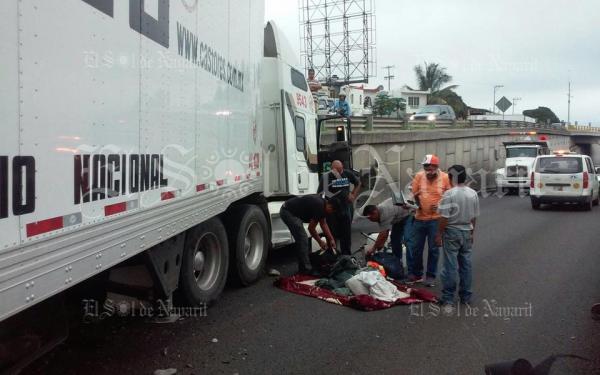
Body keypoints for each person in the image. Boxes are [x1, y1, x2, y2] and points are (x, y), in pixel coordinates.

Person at [435, 165, 480, 306]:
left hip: (451, 232)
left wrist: (438, 234)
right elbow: (474, 217)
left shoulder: (449, 194)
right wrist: (472, 233)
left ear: (450, 177)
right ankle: (465, 296)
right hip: (467, 231)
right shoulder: (473, 193)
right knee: (466, 265)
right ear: (464, 177)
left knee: (450, 266)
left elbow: (444, 218)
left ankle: (448, 297)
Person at [408, 154, 451, 287]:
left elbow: (451, 197)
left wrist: (441, 205)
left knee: (433, 249)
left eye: (430, 168)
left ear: (436, 167)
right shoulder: (419, 176)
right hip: (419, 218)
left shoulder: (445, 178)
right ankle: (416, 274)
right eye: (426, 167)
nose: (428, 171)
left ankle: (431, 276)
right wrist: (417, 205)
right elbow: (413, 194)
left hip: (436, 220)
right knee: (416, 247)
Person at [280, 194, 337, 276]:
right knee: (303, 239)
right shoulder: (319, 206)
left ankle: (304, 266)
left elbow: (323, 223)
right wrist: (320, 242)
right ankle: (305, 270)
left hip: (292, 210)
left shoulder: (324, 204)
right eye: (332, 211)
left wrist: (331, 239)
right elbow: (311, 229)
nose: (331, 213)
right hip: (287, 212)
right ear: (330, 206)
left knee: (302, 238)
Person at [317, 160, 361, 255]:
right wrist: (325, 206)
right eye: (338, 171)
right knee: (332, 234)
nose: (341, 173)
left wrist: (353, 194)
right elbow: (319, 194)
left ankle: (346, 256)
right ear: (332, 170)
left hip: (346, 208)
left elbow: (358, 183)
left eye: (341, 170)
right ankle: (332, 255)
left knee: (346, 234)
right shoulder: (325, 177)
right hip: (332, 210)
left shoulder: (347, 173)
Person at [362, 201, 411, 266]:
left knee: (408, 239)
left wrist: (373, 249)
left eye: (371, 218)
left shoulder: (384, 214)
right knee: (394, 239)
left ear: (374, 213)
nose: (371, 220)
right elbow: (385, 233)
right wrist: (380, 245)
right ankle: (397, 261)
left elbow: (383, 234)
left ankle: (412, 265)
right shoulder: (378, 212)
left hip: (408, 214)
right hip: (398, 218)